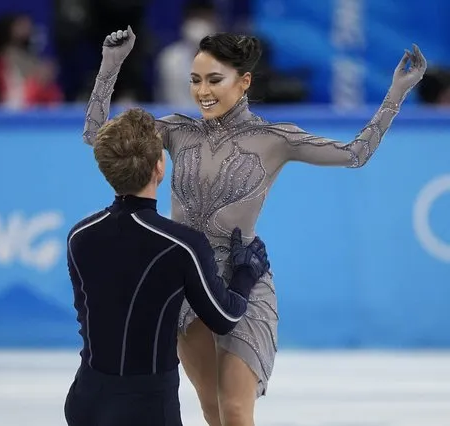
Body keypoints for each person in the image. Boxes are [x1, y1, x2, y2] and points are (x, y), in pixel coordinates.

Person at [82, 27, 427, 426]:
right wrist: (111, 64)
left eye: (214, 79)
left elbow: (355, 154)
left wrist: (397, 92)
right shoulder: (177, 130)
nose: (202, 91)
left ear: (243, 82)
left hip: (241, 275)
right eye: (195, 80)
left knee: (235, 410)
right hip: (186, 281)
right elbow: (96, 136)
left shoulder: (274, 139)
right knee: (212, 409)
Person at [64, 108, 271, 426]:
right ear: (160, 167)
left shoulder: (79, 236)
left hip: (86, 399)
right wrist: (245, 272)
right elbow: (225, 316)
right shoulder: (182, 244)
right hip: (147, 407)